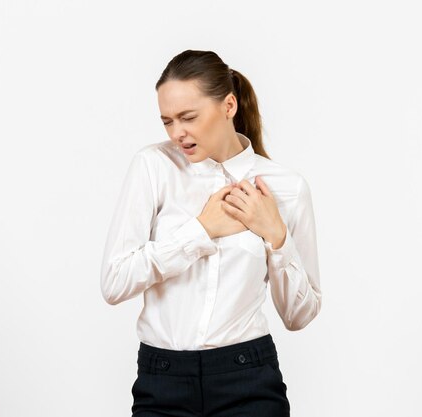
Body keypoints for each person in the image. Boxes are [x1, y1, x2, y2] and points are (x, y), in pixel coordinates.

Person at [100, 49, 322, 417]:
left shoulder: (286, 188)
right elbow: (114, 281)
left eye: (188, 117)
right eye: (167, 121)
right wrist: (201, 231)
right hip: (162, 380)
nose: (177, 134)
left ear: (229, 105)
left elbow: (300, 314)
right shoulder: (153, 167)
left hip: (248, 378)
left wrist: (277, 237)